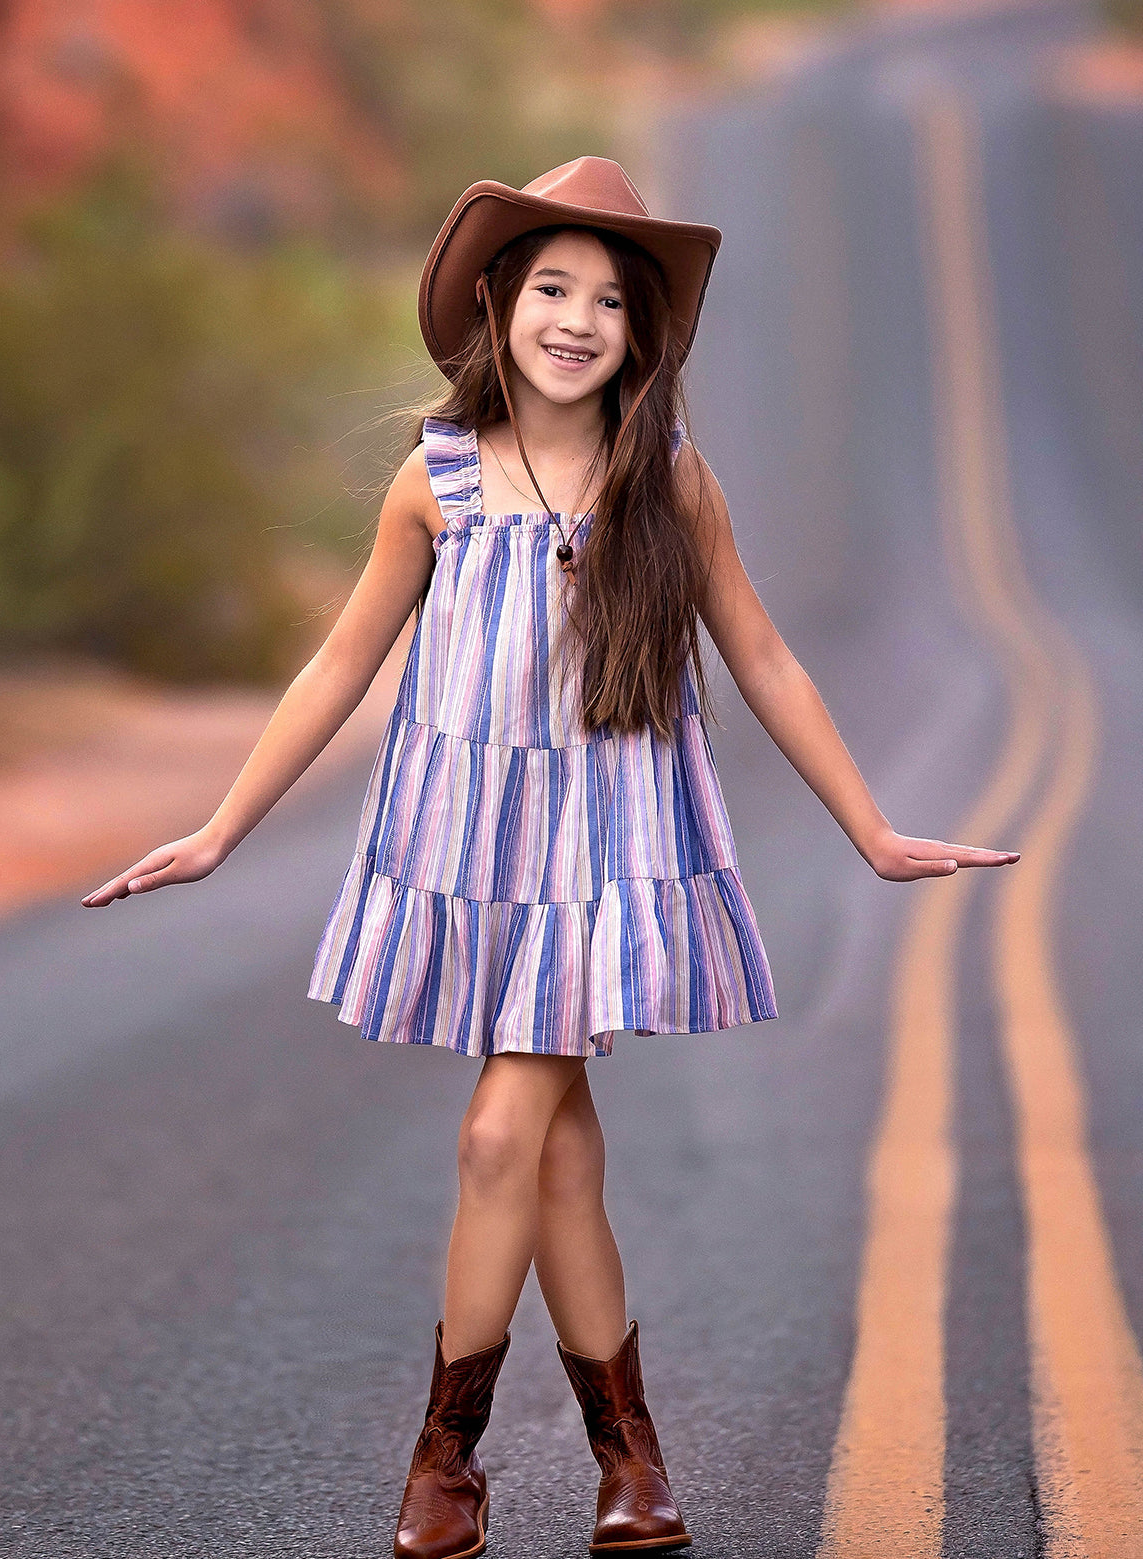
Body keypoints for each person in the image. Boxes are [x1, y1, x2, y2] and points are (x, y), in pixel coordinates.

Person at [82, 157, 1020, 1559]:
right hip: (469, 849)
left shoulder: (669, 484)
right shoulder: (437, 479)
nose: (576, 319)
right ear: (496, 305)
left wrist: (873, 830)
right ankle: (629, 1465)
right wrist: (222, 829)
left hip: (605, 852)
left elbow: (758, 654)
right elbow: (343, 662)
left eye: (607, 301)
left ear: (640, 334)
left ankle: (442, 1469)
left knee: (497, 1134)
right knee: (562, 1164)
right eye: (549, 289)